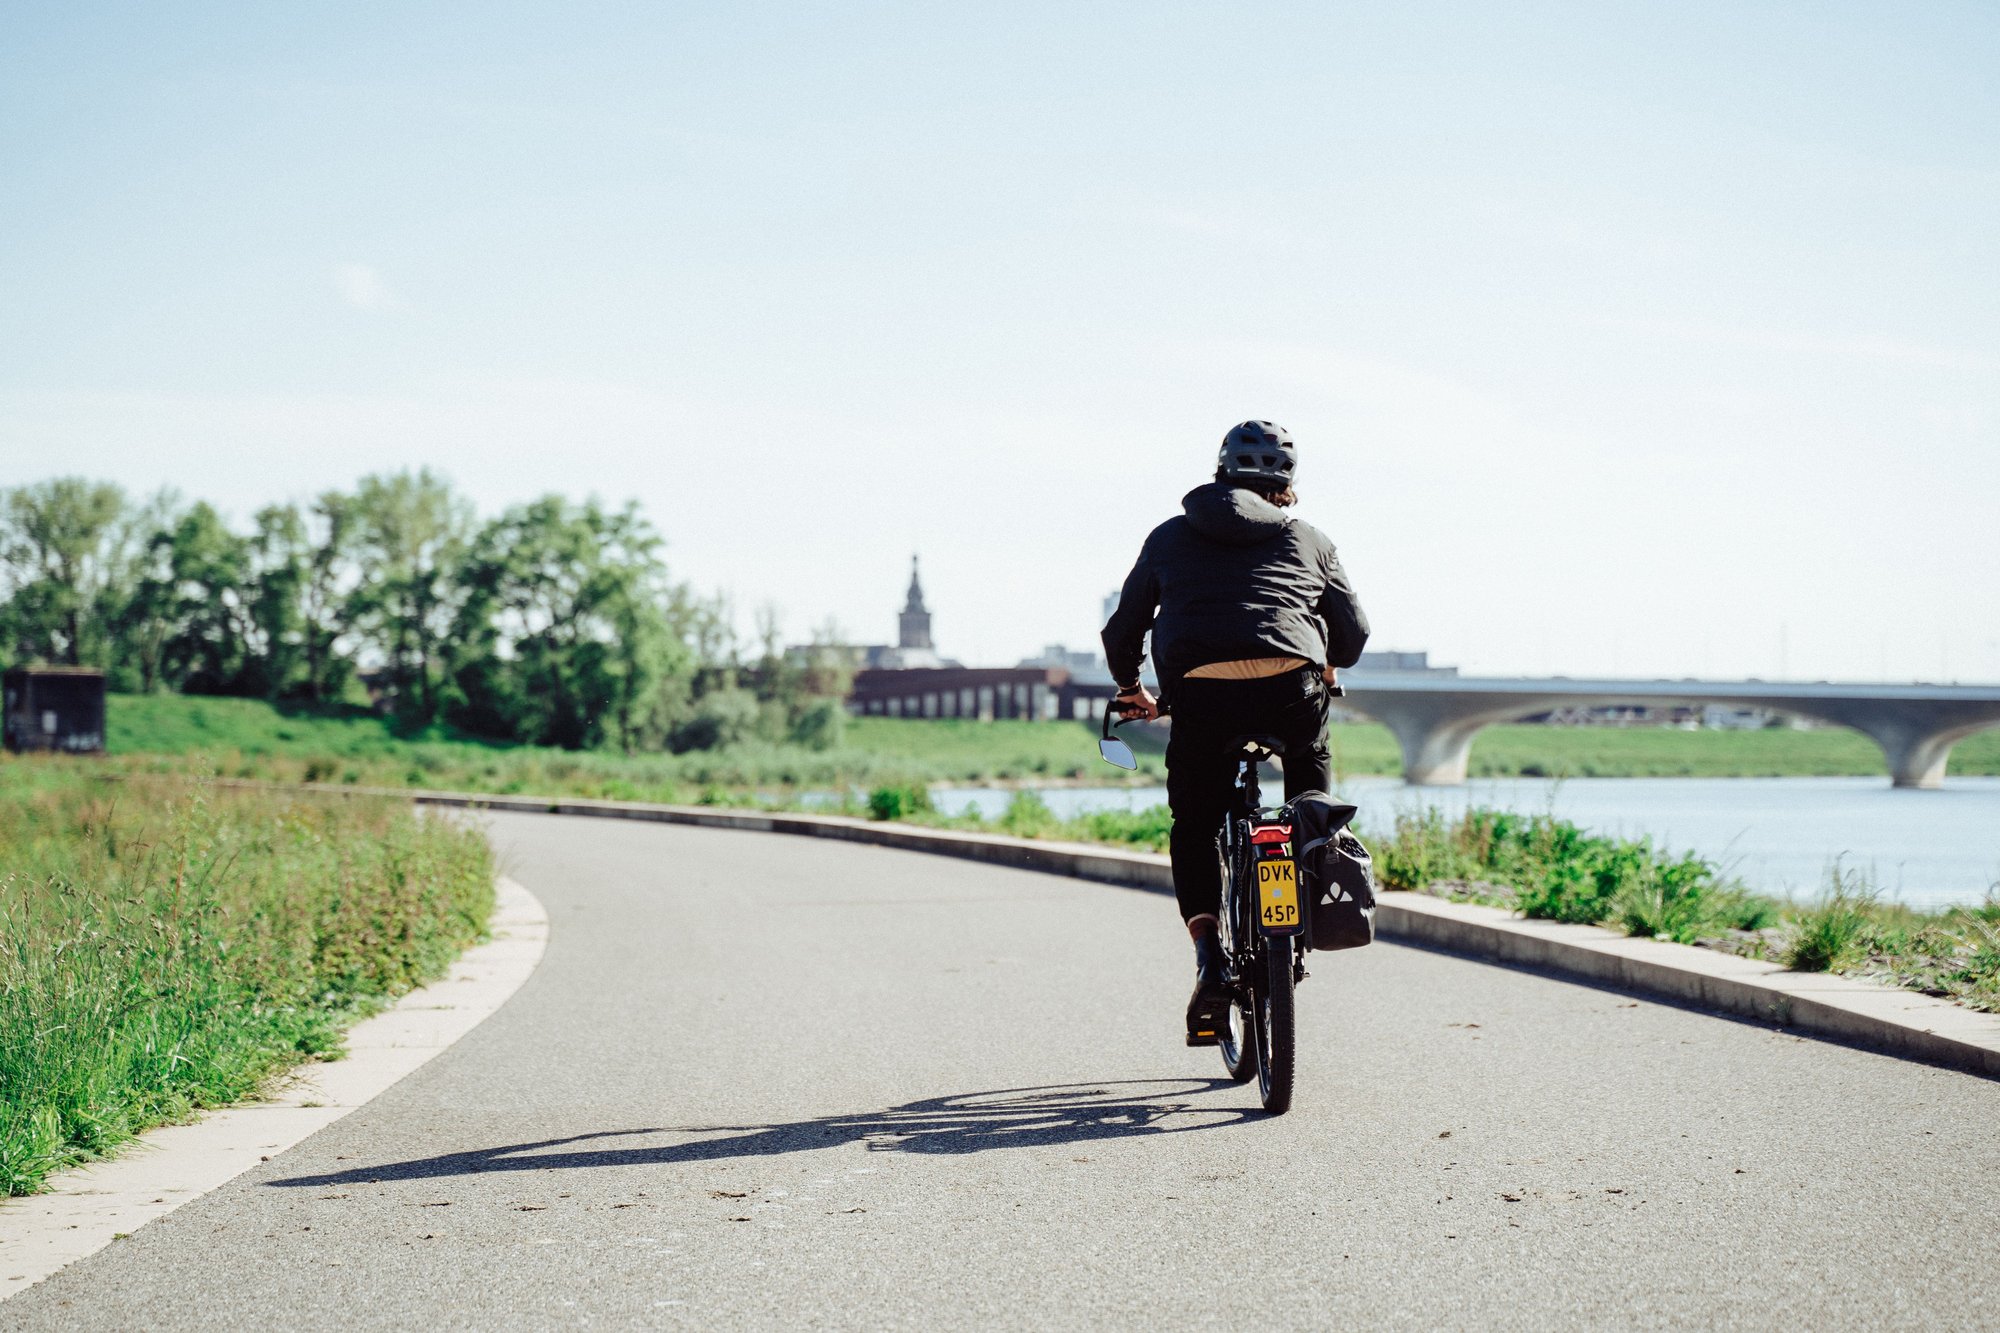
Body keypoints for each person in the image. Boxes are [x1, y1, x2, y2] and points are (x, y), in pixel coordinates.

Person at [1100, 421, 1369, 1045]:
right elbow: (1352, 637)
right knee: (1311, 806)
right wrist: (1326, 663)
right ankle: (1307, 878)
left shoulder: (1169, 536)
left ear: (1221, 472)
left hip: (1201, 697)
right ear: (1287, 483)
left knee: (1195, 826)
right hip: (1292, 693)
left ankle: (1210, 958)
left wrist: (1131, 689)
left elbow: (1124, 632)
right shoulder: (1311, 539)